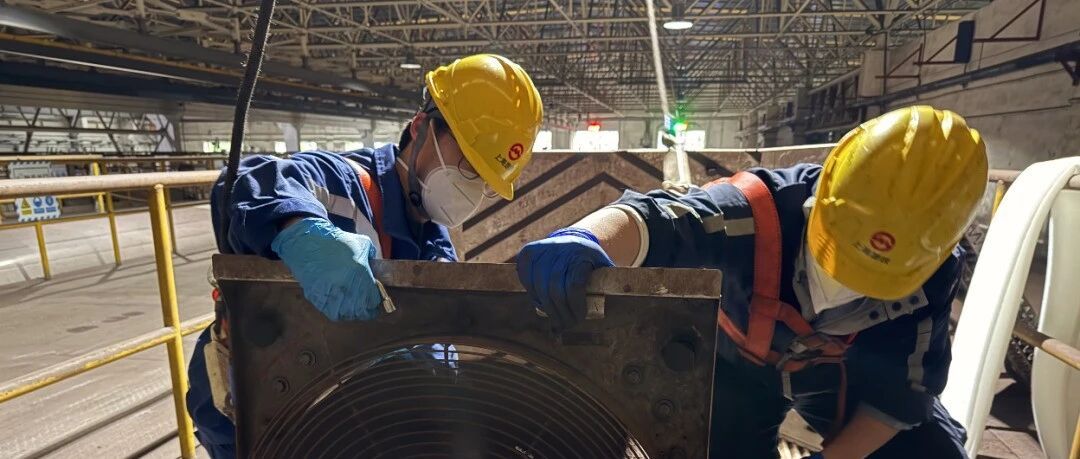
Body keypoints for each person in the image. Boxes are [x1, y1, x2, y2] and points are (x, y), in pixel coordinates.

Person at [516, 106, 988, 458]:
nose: (844, 284)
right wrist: (586, 237)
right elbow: (652, 219)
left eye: (874, 279)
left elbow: (902, 395)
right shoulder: (746, 215)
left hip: (844, 375)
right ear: (820, 196)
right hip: (735, 371)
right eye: (838, 254)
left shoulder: (932, 274)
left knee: (929, 452)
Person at [186, 54, 543, 458]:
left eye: (486, 181)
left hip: (342, 428)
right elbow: (243, 184)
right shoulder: (342, 183)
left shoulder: (435, 248)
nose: (472, 188)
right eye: (467, 164)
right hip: (257, 418)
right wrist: (302, 230)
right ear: (421, 127)